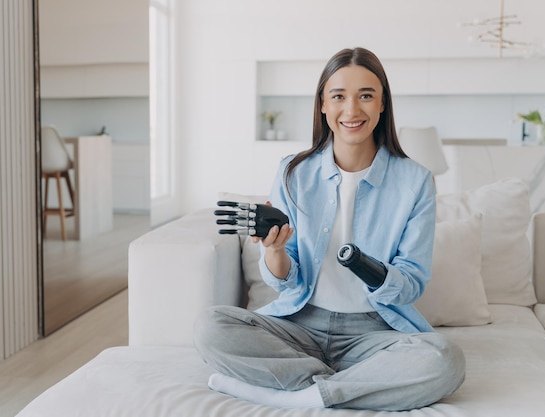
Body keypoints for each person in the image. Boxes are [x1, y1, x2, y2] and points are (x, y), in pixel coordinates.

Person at [194, 47, 465, 411]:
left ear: (382, 104)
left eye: (366, 96)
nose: (352, 110)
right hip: (299, 326)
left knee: (445, 359)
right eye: (338, 96)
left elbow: (412, 282)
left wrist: (371, 270)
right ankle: (347, 386)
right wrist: (274, 250)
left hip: (374, 332)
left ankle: (301, 393)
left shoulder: (415, 181)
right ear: (323, 104)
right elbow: (285, 280)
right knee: (211, 325)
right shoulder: (293, 172)